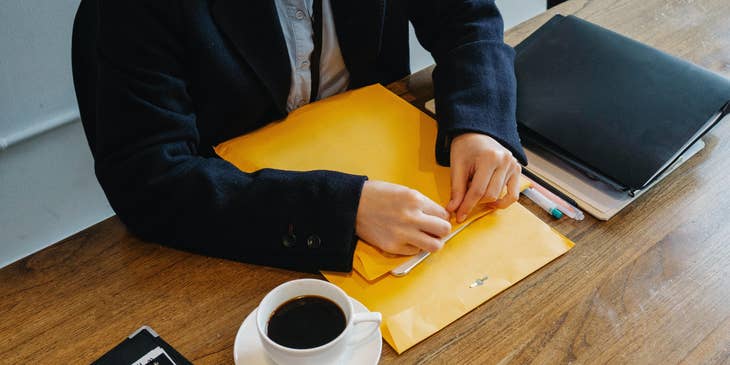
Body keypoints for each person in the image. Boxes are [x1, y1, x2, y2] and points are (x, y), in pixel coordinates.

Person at [72, 0, 527, 273]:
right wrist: (341, 210)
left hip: (386, 163)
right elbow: (147, 179)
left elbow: (465, 17)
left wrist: (480, 122)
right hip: (241, 236)